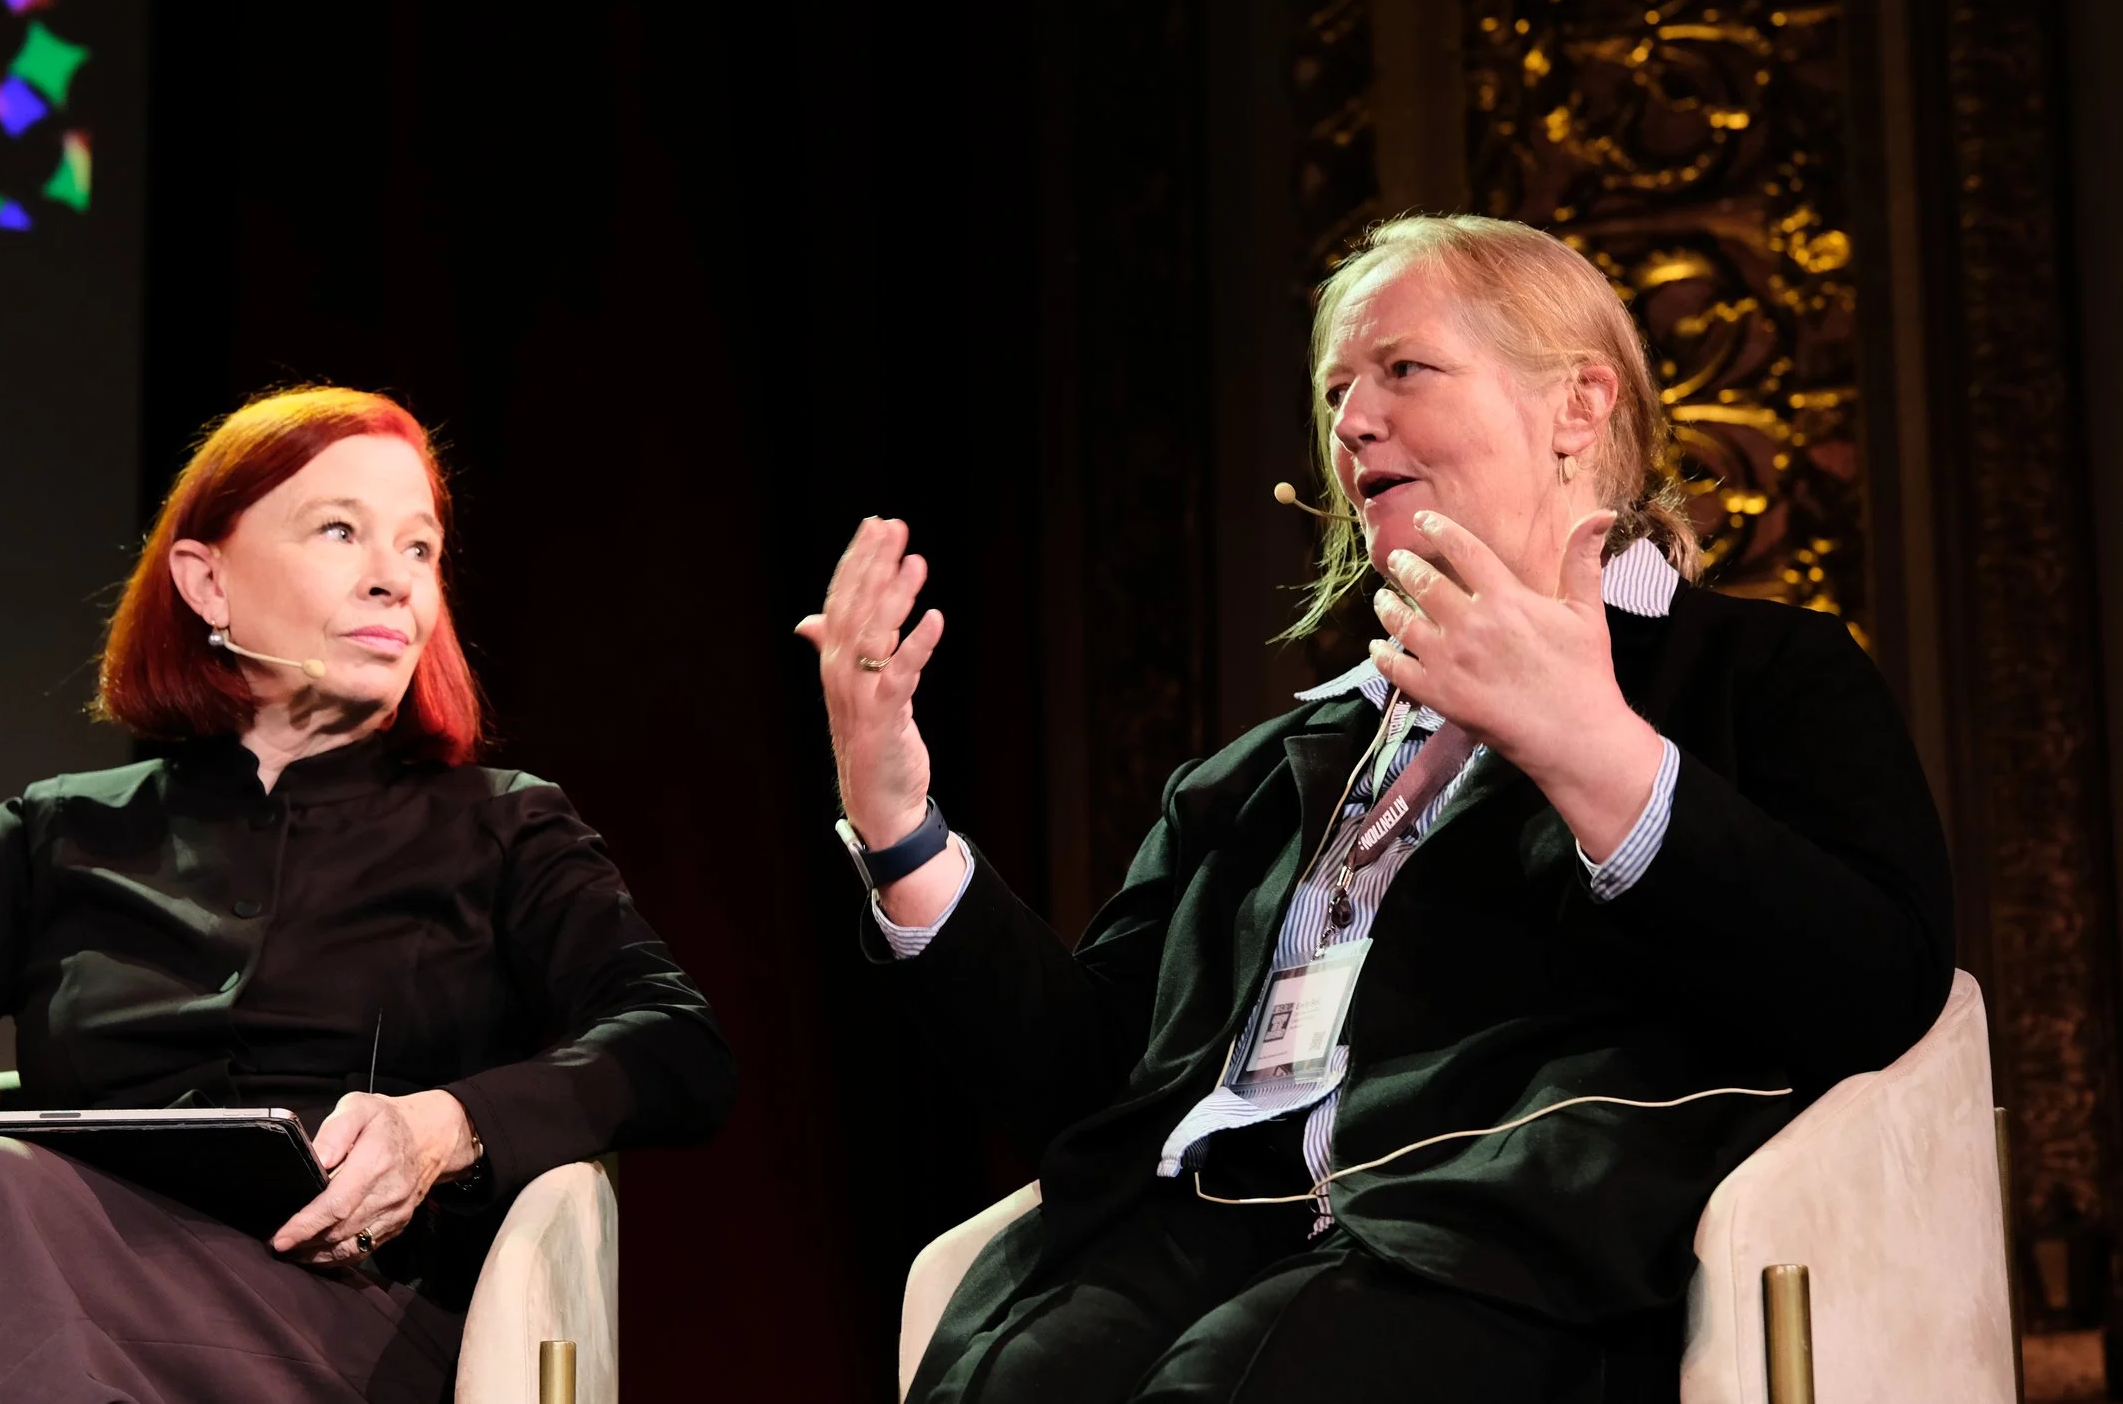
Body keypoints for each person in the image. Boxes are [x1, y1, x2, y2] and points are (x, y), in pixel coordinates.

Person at [798, 214, 1953, 1402]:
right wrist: (902, 824)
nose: (1351, 420)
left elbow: (1879, 980)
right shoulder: (1251, 775)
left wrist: (1590, 748)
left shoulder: (1750, 677)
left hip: (1485, 1239)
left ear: (1577, 404)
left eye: (1404, 369)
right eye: (1336, 387)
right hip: (1193, 1227)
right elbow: (1086, 1088)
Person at [0, 385, 736, 1404]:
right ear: (207, 582)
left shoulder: (504, 826)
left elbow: (673, 1042)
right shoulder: (59, 833)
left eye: (418, 548)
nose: (396, 582)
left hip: (342, 1327)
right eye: (341, 530)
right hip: (24, 1277)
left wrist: (446, 1124)